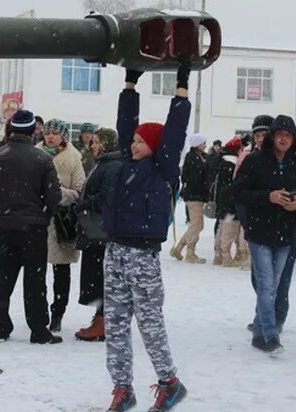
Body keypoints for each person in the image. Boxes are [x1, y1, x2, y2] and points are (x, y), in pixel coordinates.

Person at [100, 64, 190, 412]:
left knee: (150, 325)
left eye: (140, 141)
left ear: (153, 146)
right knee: (116, 326)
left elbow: (176, 132)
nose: (133, 144)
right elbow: (125, 123)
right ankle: (123, 389)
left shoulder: (163, 169)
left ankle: (170, 383)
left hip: (143, 257)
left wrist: (181, 87)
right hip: (115, 253)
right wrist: (130, 83)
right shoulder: (126, 163)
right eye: (133, 140)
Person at [0, 109, 63, 345]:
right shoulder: (42, 159)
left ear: (12, 129)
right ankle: (38, 328)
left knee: (2, 277)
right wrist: (43, 216)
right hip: (34, 227)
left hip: (4, 226)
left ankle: (0, 325)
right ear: (33, 131)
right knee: (35, 280)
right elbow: (54, 197)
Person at [235, 114, 296, 354]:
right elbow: (238, 192)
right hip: (259, 232)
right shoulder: (255, 161)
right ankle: (270, 334)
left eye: (288, 135)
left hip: (286, 234)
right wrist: (267, 197)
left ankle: (259, 335)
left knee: (274, 286)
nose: (283, 139)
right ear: (271, 136)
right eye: (279, 134)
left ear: (294, 139)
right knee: (266, 285)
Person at [36, 118, 86, 332]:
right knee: (36, 271)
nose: (51, 136)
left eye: (55, 133)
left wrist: (55, 192)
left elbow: (78, 190)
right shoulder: (35, 153)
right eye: (48, 133)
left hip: (62, 221)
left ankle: (58, 312)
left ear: (63, 136)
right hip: (37, 219)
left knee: (61, 271)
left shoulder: (74, 157)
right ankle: (39, 312)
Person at [73, 127, 121, 342]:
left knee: (101, 276)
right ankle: (100, 318)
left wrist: (82, 205)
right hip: (99, 230)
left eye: (96, 142)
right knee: (98, 275)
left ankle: (103, 322)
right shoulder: (106, 163)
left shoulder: (111, 166)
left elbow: (105, 197)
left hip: (102, 232)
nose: (92, 145)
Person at [171, 133, 209, 264]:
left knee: (197, 225)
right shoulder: (192, 158)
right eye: (203, 142)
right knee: (197, 224)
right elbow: (193, 179)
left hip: (197, 195)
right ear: (196, 144)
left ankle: (179, 248)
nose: (205, 145)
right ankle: (190, 252)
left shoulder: (201, 157)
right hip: (194, 196)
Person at [212, 137, 246, 267]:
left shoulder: (221, 160)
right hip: (231, 199)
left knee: (222, 226)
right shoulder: (232, 163)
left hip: (223, 198)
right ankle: (225, 256)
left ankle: (219, 255)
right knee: (229, 228)